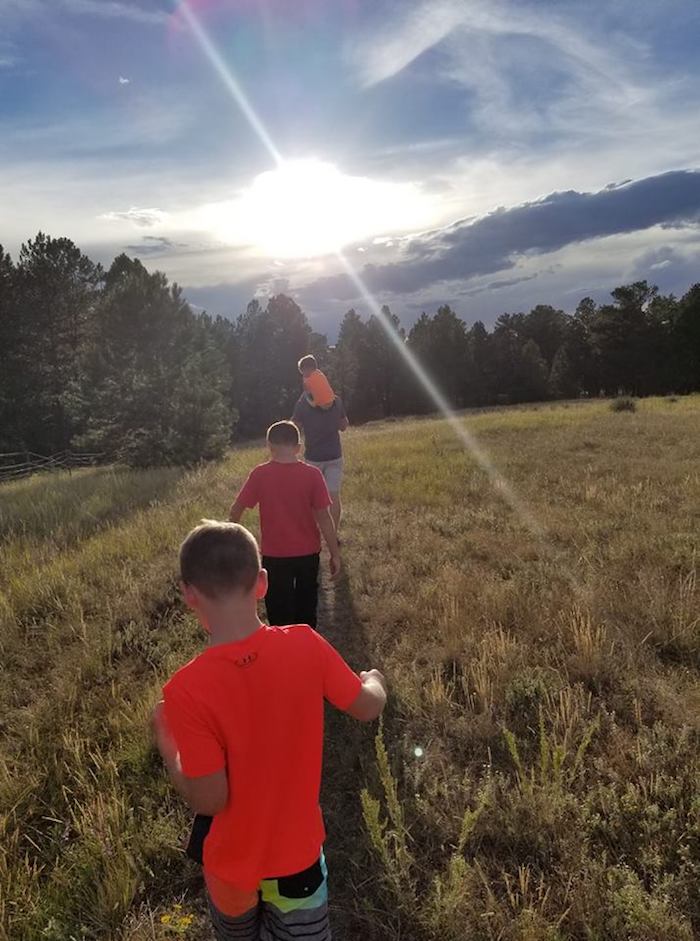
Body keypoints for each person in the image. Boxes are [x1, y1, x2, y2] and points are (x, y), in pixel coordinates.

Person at [152, 520, 388, 941]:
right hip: (297, 861)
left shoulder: (184, 691)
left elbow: (210, 799)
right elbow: (366, 707)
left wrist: (168, 746)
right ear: (262, 582)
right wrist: (375, 682)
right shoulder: (305, 644)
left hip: (230, 870)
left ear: (189, 594)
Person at [228, 420, 339, 629]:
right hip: (308, 554)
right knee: (307, 605)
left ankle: (281, 649)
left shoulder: (260, 474)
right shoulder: (312, 475)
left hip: (274, 556)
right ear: (299, 448)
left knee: (279, 610)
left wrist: (229, 541)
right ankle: (305, 647)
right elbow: (324, 517)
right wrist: (335, 553)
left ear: (269, 447)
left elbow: (237, 509)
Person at [292, 384, 348, 535]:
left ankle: (313, 533)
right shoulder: (336, 401)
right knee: (334, 496)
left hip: (313, 458)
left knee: (312, 498)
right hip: (335, 455)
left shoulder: (303, 403)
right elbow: (344, 426)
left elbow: (294, 427)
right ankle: (333, 533)